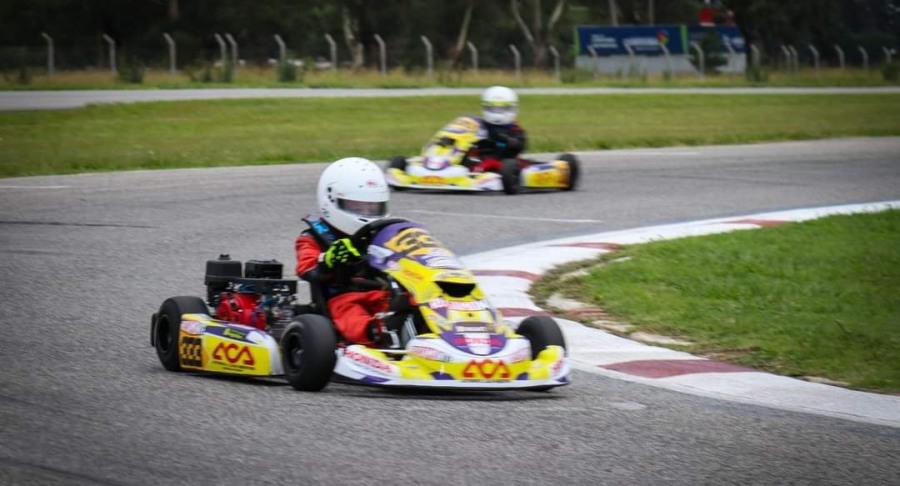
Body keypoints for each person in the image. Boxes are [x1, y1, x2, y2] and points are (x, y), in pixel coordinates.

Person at [295, 157, 392, 346]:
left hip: (381, 293)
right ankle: (375, 333)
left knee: (415, 301)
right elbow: (306, 267)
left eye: (373, 207)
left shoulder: (384, 235)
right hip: (342, 296)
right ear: (331, 200)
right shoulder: (313, 237)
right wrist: (327, 260)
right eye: (358, 206)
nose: (367, 212)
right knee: (351, 314)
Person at [475, 85, 528, 161]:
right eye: (493, 108)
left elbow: (519, 146)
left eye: (502, 109)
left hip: (501, 164)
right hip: (478, 160)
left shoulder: (515, 129)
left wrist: (504, 139)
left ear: (512, 108)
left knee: (511, 164)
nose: (497, 112)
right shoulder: (479, 125)